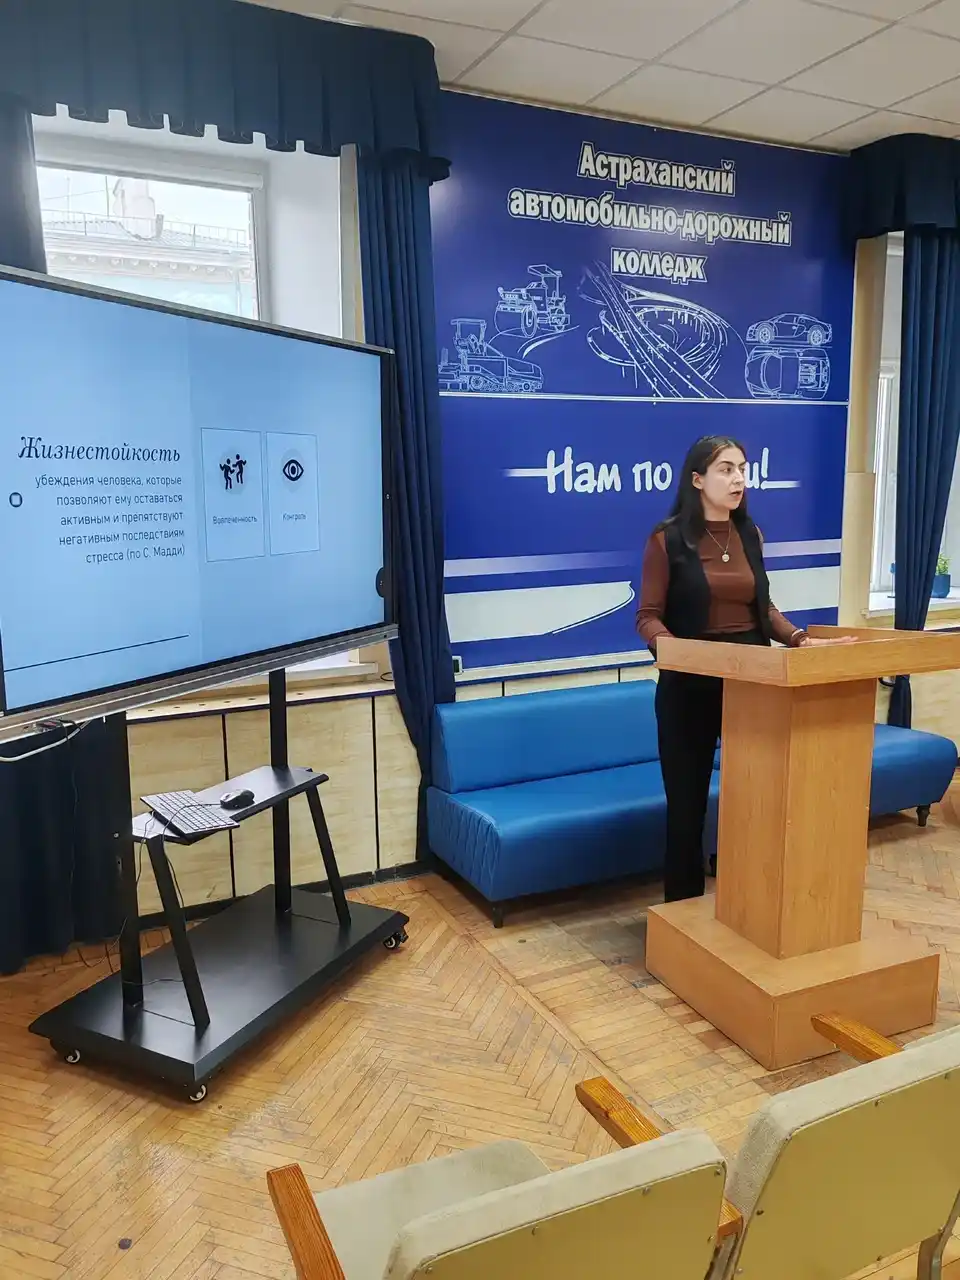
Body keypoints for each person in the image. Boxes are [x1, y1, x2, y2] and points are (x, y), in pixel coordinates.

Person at [636, 434, 852, 903]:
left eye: (742, 469)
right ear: (698, 480)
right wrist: (674, 651)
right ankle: (684, 911)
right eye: (726, 469)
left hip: (753, 682)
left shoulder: (750, 534)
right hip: (689, 686)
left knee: (754, 801)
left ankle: (748, 906)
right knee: (687, 808)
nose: (738, 479)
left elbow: (763, 608)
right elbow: (647, 616)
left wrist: (800, 639)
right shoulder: (667, 539)